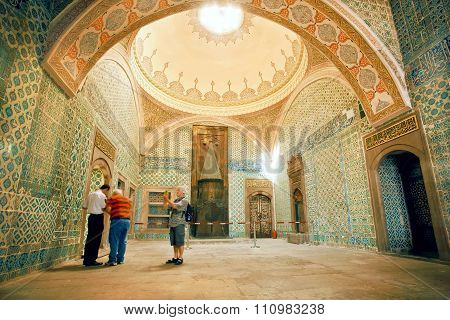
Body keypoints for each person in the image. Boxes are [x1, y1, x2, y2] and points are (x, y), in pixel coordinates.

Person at [82, 184, 110, 266]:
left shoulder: (90, 194)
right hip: (98, 218)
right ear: (106, 189)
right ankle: (92, 260)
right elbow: (104, 208)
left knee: (90, 237)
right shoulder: (102, 196)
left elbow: (84, 206)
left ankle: (86, 260)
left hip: (91, 218)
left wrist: (93, 207)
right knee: (96, 239)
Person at [105, 189, 132, 266]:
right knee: (123, 241)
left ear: (114, 193)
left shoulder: (112, 198)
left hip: (117, 220)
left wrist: (112, 214)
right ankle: (120, 259)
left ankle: (112, 260)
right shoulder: (127, 200)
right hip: (127, 221)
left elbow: (108, 209)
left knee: (114, 240)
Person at [164, 186, 188, 265]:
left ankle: (180, 258)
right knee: (174, 242)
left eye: (178, 190)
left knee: (180, 241)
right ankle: (175, 257)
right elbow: (166, 207)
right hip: (173, 223)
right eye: (177, 190)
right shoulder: (175, 200)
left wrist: (167, 199)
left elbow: (175, 206)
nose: (177, 191)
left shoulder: (184, 201)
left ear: (183, 192)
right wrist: (165, 200)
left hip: (179, 223)